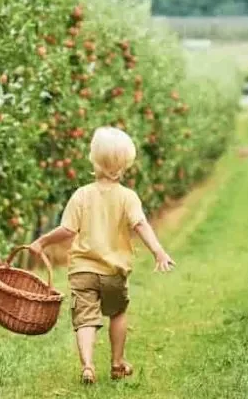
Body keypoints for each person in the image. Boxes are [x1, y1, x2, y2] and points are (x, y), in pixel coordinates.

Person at [29, 126, 175, 384]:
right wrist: (159, 252)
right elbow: (140, 225)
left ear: (94, 160)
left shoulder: (82, 194)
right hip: (114, 271)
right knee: (117, 313)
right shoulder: (128, 197)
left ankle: (87, 365)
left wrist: (42, 241)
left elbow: (66, 229)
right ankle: (117, 362)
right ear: (125, 165)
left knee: (84, 319)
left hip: (83, 270)